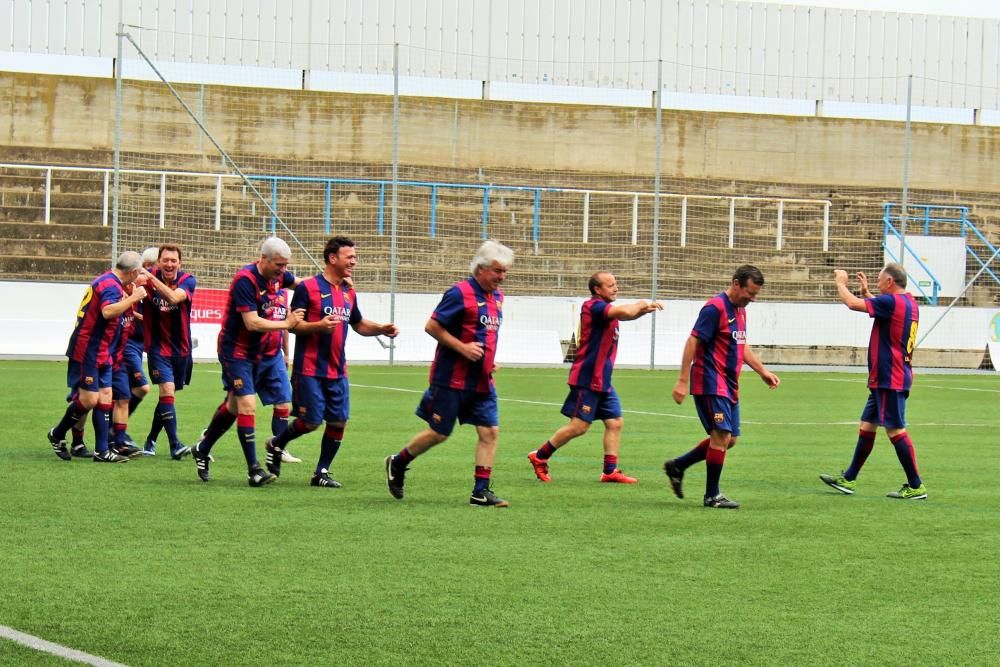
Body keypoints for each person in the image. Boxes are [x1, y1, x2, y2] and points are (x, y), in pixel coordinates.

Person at [384, 239, 514, 507]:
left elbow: (486, 334)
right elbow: (432, 326)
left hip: (482, 380)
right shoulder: (459, 293)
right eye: (498, 271)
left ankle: (481, 491)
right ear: (481, 268)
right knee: (439, 433)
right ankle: (398, 462)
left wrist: (490, 360)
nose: (502, 277)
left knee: (490, 431)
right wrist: (463, 348)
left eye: (505, 271)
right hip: (451, 378)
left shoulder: (497, 298)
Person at [264, 236, 399, 487]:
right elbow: (294, 326)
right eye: (350, 257)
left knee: (338, 420)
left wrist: (381, 328)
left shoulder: (348, 291)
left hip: (337, 368)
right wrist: (318, 326)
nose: (354, 262)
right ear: (332, 258)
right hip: (309, 368)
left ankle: (321, 472)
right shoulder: (308, 288)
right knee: (312, 421)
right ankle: (277, 443)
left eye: (354, 257)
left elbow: (358, 323)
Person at [663, 265, 780, 509]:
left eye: (756, 294)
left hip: (729, 383)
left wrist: (763, 371)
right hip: (710, 381)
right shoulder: (714, 308)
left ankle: (678, 465)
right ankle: (712, 495)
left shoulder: (740, 310)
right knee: (721, 436)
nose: (753, 298)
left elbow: (741, 345)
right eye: (751, 292)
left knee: (731, 439)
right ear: (736, 283)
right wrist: (682, 380)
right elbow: (693, 340)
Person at [528, 272, 662, 484]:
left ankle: (610, 471)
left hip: (602, 379)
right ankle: (540, 456)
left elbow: (627, 314)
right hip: (588, 378)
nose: (615, 288)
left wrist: (644, 310)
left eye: (616, 284)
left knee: (615, 422)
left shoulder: (608, 311)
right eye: (610, 285)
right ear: (597, 290)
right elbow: (625, 311)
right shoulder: (594, 307)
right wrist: (641, 303)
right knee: (579, 427)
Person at [190, 237, 303, 487]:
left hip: (269, 353)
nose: (283, 271)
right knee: (247, 405)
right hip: (238, 352)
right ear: (263, 259)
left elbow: (303, 285)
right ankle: (254, 469)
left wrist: (331, 286)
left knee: (261, 403)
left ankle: (204, 447)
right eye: (279, 265)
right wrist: (288, 323)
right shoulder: (246, 280)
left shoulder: (279, 276)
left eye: (286, 265)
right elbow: (251, 323)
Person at [820, 264, 926, 500]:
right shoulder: (909, 303)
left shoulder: (891, 303)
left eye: (879, 281)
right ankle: (849, 478)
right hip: (890, 375)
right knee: (867, 424)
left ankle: (916, 485)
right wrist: (868, 293)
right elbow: (885, 312)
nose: (877, 285)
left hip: (890, 377)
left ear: (890, 282)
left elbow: (852, 304)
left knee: (895, 429)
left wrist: (840, 283)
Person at [47, 251, 148, 462]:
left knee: (105, 397)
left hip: (103, 349)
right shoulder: (111, 284)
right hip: (88, 349)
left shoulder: (108, 280)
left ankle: (102, 451)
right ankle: (57, 433)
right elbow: (108, 311)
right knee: (89, 400)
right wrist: (133, 298)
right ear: (133, 272)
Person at [140, 244, 196, 460]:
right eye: (165, 260)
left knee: (167, 397)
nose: (169, 264)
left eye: (173, 260)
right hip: (157, 348)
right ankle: (175, 444)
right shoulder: (146, 276)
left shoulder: (188, 280)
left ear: (179, 263)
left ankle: (151, 439)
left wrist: (151, 280)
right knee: (167, 390)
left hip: (181, 349)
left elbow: (174, 298)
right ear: (159, 262)